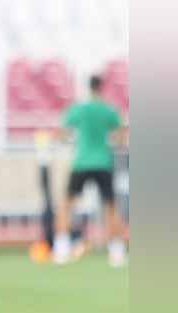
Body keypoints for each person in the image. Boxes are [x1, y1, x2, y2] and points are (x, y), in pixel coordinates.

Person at [54, 74, 128, 267]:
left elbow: (63, 133)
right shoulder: (108, 110)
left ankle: (61, 250)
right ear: (101, 88)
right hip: (103, 162)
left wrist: (72, 142)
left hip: (82, 162)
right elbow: (121, 136)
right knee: (111, 208)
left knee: (66, 205)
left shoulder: (79, 109)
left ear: (88, 87)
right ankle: (117, 252)